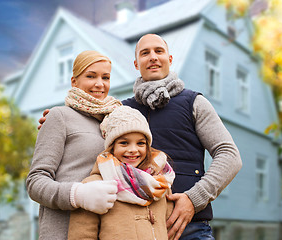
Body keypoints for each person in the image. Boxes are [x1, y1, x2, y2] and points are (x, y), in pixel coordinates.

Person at [39, 34, 242, 240]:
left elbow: (230, 155)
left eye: (159, 51)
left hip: (190, 226)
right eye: (145, 53)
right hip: (134, 228)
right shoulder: (119, 110)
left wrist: (193, 199)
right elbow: (85, 116)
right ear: (136, 64)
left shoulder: (194, 103)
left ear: (170, 59)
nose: (152, 57)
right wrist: (55, 118)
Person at [26, 50, 123, 239]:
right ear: (74, 81)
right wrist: (77, 194)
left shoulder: (116, 121)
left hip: (107, 230)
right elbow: (35, 181)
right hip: (63, 230)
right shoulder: (59, 116)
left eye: (106, 77)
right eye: (91, 76)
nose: (99, 84)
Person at [67, 106, 175, 240]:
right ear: (112, 147)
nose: (133, 150)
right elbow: (82, 236)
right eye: (124, 143)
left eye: (140, 143)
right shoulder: (94, 186)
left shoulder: (160, 184)